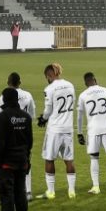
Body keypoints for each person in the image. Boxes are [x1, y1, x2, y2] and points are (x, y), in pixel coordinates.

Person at [36, 63, 76, 199]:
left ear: (49, 75)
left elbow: (48, 109)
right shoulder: (70, 85)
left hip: (55, 129)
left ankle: (51, 192)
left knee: (49, 158)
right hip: (68, 127)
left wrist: (43, 119)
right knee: (69, 160)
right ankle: (71, 191)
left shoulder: (49, 88)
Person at [0, 72, 36, 200]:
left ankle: (7, 193)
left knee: (6, 163)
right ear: (20, 82)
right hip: (23, 132)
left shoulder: (3, 96)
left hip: (8, 134)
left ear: (8, 82)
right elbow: (32, 115)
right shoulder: (28, 95)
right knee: (25, 160)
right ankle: (27, 192)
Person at [76, 72, 106, 194]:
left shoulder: (83, 95)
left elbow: (79, 117)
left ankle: (96, 187)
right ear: (95, 79)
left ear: (85, 83)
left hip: (93, 130)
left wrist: (79, 133)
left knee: (94, 158)